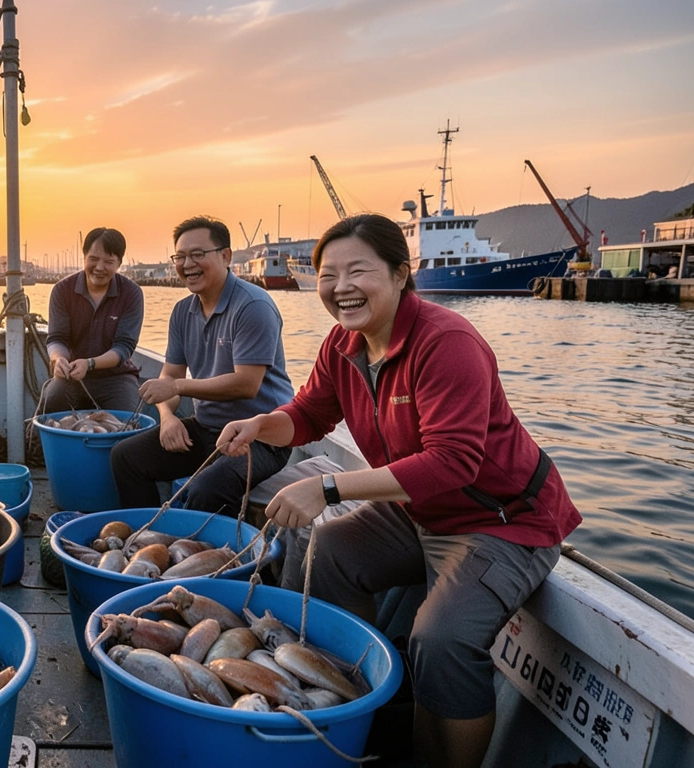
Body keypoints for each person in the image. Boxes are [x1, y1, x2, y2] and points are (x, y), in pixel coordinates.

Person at [216, 213, 581, 768]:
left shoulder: (447, 342)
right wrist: (260, 426)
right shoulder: (344, 344)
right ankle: (352, 710)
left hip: (501, 521)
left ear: (400, 274)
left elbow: (454, 462)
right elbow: (309, 413)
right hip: (418, 509)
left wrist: (328, 487)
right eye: (327, 274)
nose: (341, 287)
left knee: (440, 640)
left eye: (357, 270)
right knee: (328, 550)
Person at [109, 215, 293, 515]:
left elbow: (247, 384)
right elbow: (170, 374)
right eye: (180, 256)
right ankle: (148, 543)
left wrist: (176, 387)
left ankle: (219, 558)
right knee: (125, 458)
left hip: (261, 435)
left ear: (226, 256)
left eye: (197, 254)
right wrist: (168, 417)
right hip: (208, 428)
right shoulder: (183, 311)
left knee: (207, 489)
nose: (187, 264)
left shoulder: (253, 306)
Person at [40, 227, 145, 414]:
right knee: (51, 400)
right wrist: (58, 360)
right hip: (71, 377)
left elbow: (124, 347)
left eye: (108, 262)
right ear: (84, 257)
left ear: (119, 263)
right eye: (93, 259)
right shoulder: (62, 290)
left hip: (117, 378)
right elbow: (57, 338)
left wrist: (90, 364)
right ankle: (40, 443)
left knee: (128, 417)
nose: (99, 267)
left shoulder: (131, 293)